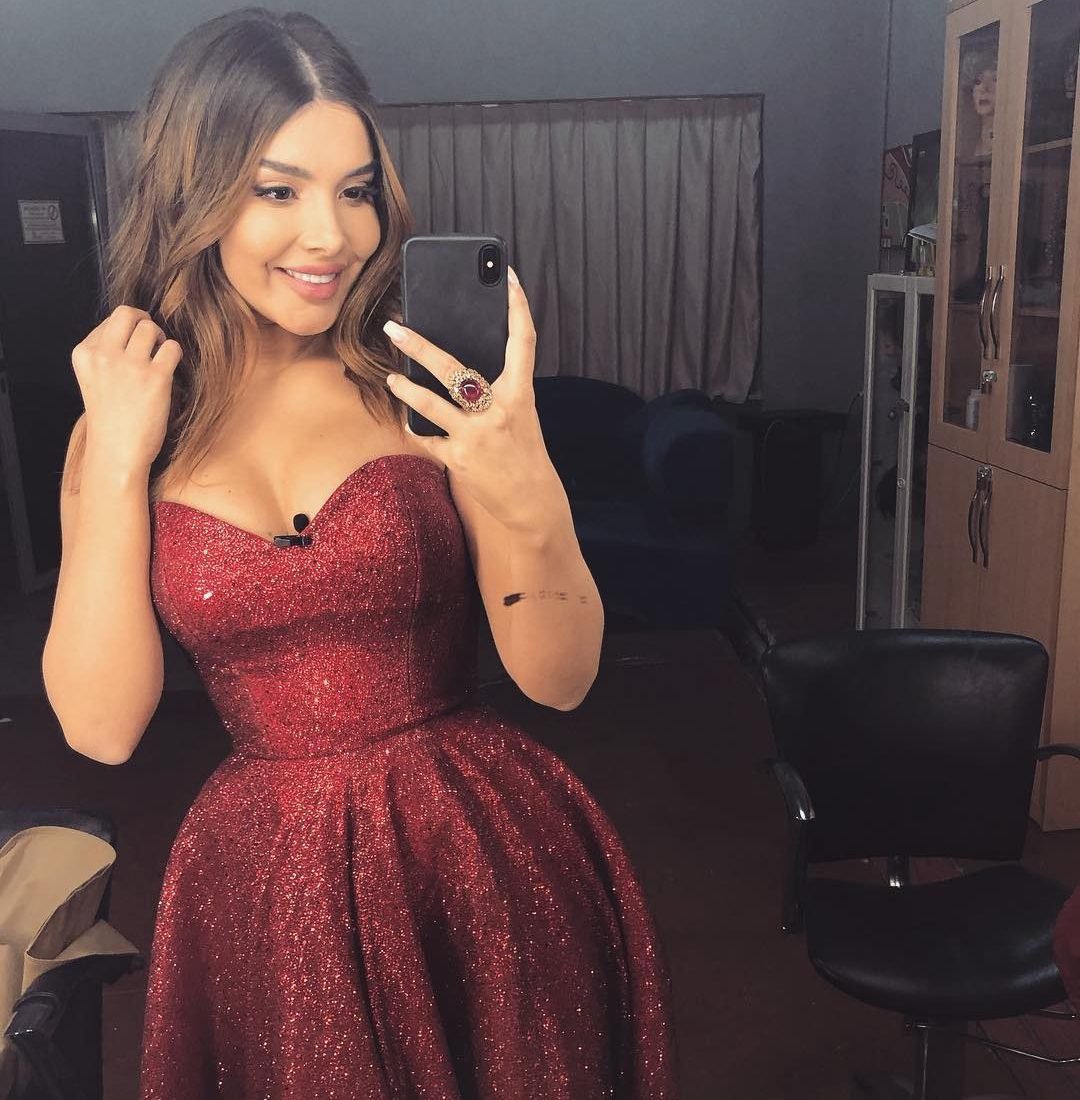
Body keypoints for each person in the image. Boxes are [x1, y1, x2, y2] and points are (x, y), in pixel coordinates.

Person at [40, 7, 680, 1098]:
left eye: (356, 189)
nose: (331, 236)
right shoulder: (130, 425)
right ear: (195, 194)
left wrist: (520, 467)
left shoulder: (423, 383)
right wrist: (114, 457)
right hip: (266, 888)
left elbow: (560, 676)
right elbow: (102, 729)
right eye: (278, 190)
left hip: (471, 855)